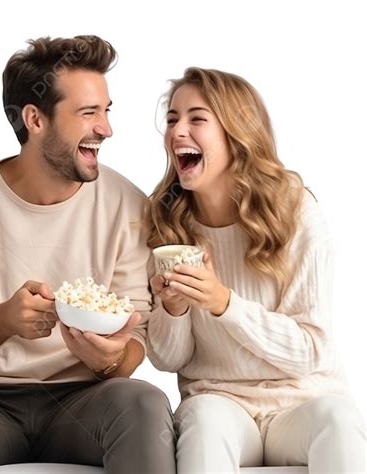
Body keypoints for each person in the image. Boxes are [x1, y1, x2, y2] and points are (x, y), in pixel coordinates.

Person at [0, 35, 175, 474]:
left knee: (142, 402)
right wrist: (1, 321)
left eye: (106, 110)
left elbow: (134, 336)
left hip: (84, 402)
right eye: (88, 113)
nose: (105, 128)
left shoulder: (126, 205)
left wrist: (108, 362)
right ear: (35, 119)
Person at [145, 67, 366, 472]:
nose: (177, 131)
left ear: (236, 132)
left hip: (303, 402)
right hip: (219, 402)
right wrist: (174, 309)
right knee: (204, 425)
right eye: (173, 118)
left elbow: (310, 350)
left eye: (197, 118)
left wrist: (223, 303)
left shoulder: (295, 212)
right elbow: (168, 358)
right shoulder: (168, 223)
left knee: (340, 421)